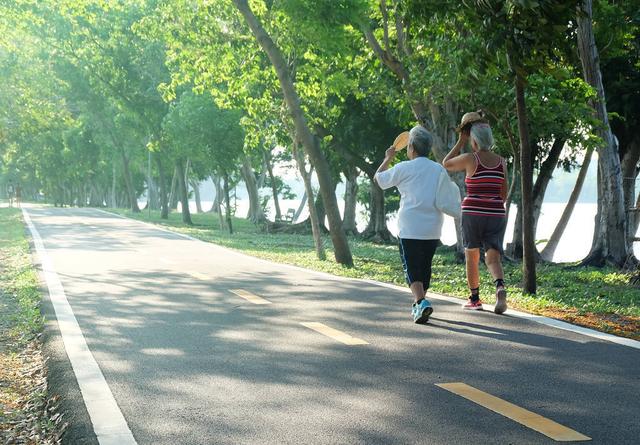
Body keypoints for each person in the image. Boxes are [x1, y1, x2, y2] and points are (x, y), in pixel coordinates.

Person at [375, 126, 445, 324]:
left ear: (411, 147)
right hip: (433, 227)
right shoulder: (438, 169)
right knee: (424, 266)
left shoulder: (403, 167)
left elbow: (379, 180)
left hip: (410, 228)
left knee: (412, 267)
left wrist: (388, 158)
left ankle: (421, 301)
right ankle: (418, 305)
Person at [443, 113, 508, 314]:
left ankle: (475, 298)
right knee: (493, 258)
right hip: (496, 213)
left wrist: (460, 141)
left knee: (472, 256)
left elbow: (446, 163)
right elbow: (503, 194)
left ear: (474, 141)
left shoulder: (471, 158)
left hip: (473, 212)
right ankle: (500, 287)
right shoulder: (501, 162)